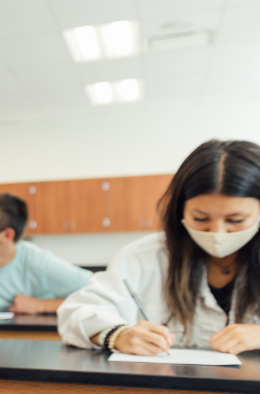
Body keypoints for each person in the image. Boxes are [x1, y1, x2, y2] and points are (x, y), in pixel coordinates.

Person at [60, 139, 260, 354]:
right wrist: (117, 335)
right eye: (200, 218)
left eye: (236, 220)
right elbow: (77, 313)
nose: (217, 233)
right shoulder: (142, 256)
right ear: (180, 210)